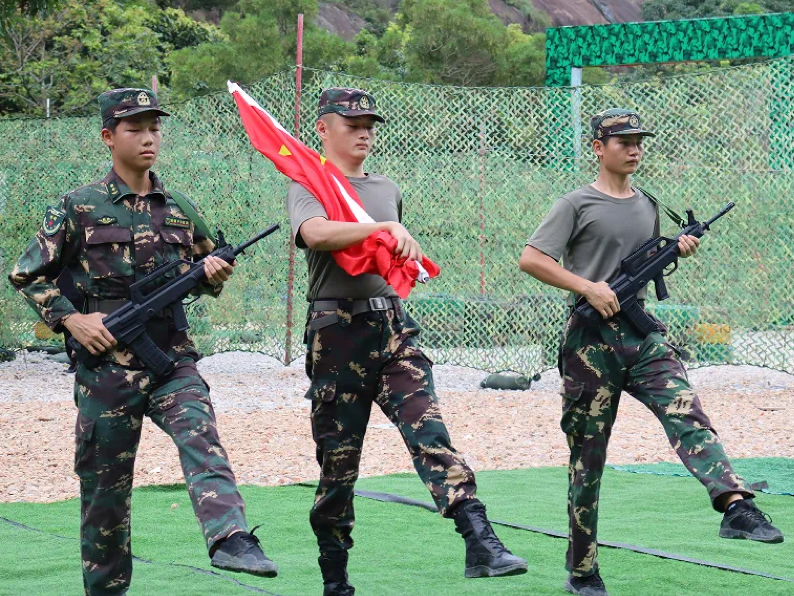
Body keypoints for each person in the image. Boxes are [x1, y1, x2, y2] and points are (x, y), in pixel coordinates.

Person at [9, 88, 278, 596]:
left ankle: (231, 539)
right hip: (105, 368)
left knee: (200, 433)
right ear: (109, 136)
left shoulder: (178, 208)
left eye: (155, 127)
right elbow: (26, 275)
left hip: (171, 358)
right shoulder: (77, 206)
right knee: (105, 498)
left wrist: (215, 272)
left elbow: (205, 269)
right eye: (135, 128)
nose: (148, 137)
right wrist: (72, 321)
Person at [519, 108, 784, 596]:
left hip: (641, 334)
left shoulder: (648, 204)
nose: (634, 147)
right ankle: (582, 570)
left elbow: (643, 261)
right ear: (598, 148)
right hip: (590, 342)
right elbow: (531, 258)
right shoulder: (575, 203)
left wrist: (675, 252)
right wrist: (588, 287)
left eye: (639, 140)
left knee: (686, 410)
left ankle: (735, 504)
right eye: (623, 141)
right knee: (588, 460)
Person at [287, 88, 528, 595]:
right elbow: (315, 234)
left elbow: (385, 250)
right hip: (335, 334)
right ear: (324, 129)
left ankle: (480, 540)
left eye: (368, 122)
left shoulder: (387, 186)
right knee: (338, 465)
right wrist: (383, 226)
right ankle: (335, 579)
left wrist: (398, 248)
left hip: (393, 327)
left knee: (430, 432)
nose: (363, 131)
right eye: (351, 123)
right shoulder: (309, 181)